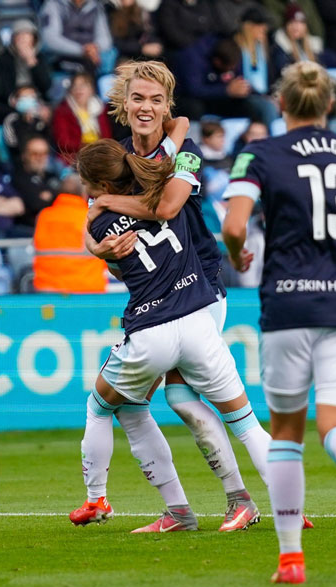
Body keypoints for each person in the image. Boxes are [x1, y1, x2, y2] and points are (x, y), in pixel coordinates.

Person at [221, 60, 336, 584]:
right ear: (329, 105)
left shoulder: (258, 154)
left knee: (285, 433)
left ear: (280, 104)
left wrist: (238, 255)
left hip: (289, 304)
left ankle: (290, 558)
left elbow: (234, 224)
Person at [74, 60, 278, 533]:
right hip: (165, 293)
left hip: (200, 286)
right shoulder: (116, 157)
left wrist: (106, 206)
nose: (146, 107)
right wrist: (98, 245)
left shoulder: (184, 153)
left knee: (178, 401)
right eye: (138, 99)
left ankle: (233, 501)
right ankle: (208, 507)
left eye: (156, 100)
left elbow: (166, 206)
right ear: (124, 105)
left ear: (168, 107)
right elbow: (92, 227)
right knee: (176, 401)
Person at [39, 0, 114, 75]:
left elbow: (106, 39)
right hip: (59, 66)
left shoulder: (97, 6)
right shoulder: (53, 4)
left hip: (89, 65)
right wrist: (83, 51)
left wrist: (95, 47)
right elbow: (49, 40)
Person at [53, 71, 113, 164]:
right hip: (73, 158)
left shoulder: (100, 109)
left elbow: (107, 137)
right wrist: (89, 146)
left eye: (83, 85)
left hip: (99, 155)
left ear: (91, 89)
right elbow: (63, 142)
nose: (78, 89)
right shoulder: (62, 112)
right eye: (75, 86)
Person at [0, 20, 53, 112]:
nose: (22, 38)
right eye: (18, 35)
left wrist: (32, 62)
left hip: (37, 98)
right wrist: (18, 95)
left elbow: (45, 85)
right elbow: (2, 87)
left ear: (34, 39)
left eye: (26, 34)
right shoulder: (4, 58)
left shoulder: (40, 57)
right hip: (13, 99)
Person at [12, 135, 63, 233]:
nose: (40, 158)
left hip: (54, 229)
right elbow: (35, 204)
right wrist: (53, 195)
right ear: (24, 156)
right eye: (35, 154)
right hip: (28, 231)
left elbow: (63, 199)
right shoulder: (18, 178)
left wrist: (48, 196)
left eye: (44, 153)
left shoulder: (53, 176)